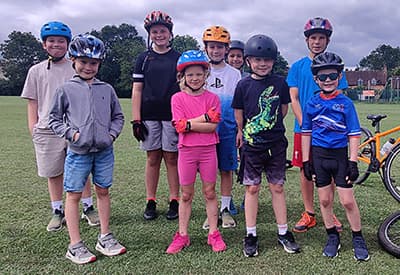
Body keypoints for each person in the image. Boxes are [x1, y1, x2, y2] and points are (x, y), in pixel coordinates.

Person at [49, 34, 126, 264]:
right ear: (73, 60)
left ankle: (104, 236)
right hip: (78, 153)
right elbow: (54, 118)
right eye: (83, 61)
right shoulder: (65, 89)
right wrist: (72, 134)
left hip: (104, 151)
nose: (88, 67)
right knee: (73, 195)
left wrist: (111, 135)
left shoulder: (107, 89)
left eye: (93, 63)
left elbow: (118, 116)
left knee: (103, 191)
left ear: (99, 64)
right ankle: (75, 244)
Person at [21, 21, 99, 232]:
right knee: (53, 172)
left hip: (75, 128)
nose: (56, 45)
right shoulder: (36, 71)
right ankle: (57, 211)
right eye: (52, 41)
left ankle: (88, 206)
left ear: (68, 44)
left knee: (81, 170)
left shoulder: (76, 67)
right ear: (44, 44)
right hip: (47, 130)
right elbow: (32, 101)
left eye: (61, 41)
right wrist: (33, 127)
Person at [232, 34, 300, 257]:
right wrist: (242, 132)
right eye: (258, 60)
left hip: (276, 144)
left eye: (267, 60)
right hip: (252, 145)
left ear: (273, 61)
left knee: (277, 187)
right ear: (248, 60)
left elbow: (282, 110)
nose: (263, 64)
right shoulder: (243, 84)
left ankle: (283, 232)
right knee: (252, 188)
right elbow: (239, 112)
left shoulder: (280, 82)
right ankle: (250, 234)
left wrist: (270, 126)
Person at [302, 52, 369, 261]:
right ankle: (332, 236)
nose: (328, 80)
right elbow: (306, 132)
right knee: (324, 199)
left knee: (347, 201)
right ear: (316, 79)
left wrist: (353, 161)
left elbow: (354, 134)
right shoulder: (311, 104)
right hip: (320, 156)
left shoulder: (346, 103)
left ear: (339, 76)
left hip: (340, 156)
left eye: (332, 75)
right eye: (323, 77)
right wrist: (306, 161)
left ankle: (358, 237)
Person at [286, 17, 348, 233]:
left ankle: (329, 213)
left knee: (329, 172)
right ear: (307, 40)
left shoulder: (335, 65)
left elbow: (340, 97)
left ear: (327, 41)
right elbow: (293, 97)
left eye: (322, 38)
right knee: (306, 170)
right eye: (313, 37)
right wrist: (306, 124)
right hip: (303, 130)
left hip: (330, 133)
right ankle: (310, 213)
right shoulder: (297, 67)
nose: (317, 42)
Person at [166, 50, 226, 254]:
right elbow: (179, 127)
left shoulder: (212, 98)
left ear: (205, 75)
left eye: (199, 74)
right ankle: (182, 235)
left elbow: (212, 127)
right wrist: (204, 118)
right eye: (190, 74)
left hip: (208, 150)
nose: (194, 78)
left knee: (210, 192)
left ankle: (214, 233)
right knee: (186, 195)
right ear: (183, 76)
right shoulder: (177, 98)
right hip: (187, 152)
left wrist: (189, 123)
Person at [131, 10, 180, 221]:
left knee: (172, 158)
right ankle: (151, 200)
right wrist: (136, 119)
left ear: (170, 33)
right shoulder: (143, 58)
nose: (159, 35)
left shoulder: (178, 58)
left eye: (162, 31)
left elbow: (185, 88)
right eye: (154, 31)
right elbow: (137, 90)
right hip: (149, 115)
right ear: (149, 34)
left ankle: (174, 199)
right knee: (152, 158)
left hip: (172, 115)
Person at [202, 26, 241, 229]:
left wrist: (240, 130)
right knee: (208, 172)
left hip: (227, 129)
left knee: (226, 169)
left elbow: (238, 105)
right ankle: (212, 211)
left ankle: (225, 209)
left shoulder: (234, 74)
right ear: (205, 48)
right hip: (205, 131)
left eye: (220, 47)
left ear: (226, 49)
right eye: (212, 47)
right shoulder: (200, 70)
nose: (216, 51)